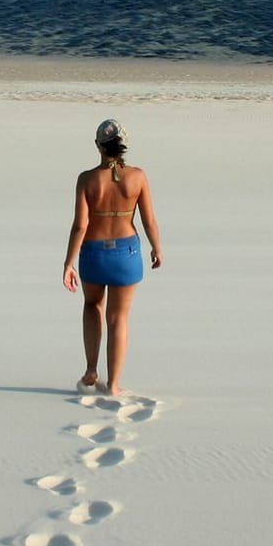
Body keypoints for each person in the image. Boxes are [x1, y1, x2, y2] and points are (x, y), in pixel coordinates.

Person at [62, 119, 163, 396]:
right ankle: (115, 384)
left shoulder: (87, 179)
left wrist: (68, 262)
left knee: (92, 305)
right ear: (124, 145)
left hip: (93, 253)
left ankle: (92, 369)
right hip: (126, 254)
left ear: (98, 145)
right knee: (118, 318)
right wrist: (156, 247)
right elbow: (149, 220)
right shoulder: (138, 176)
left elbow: (80, 225)